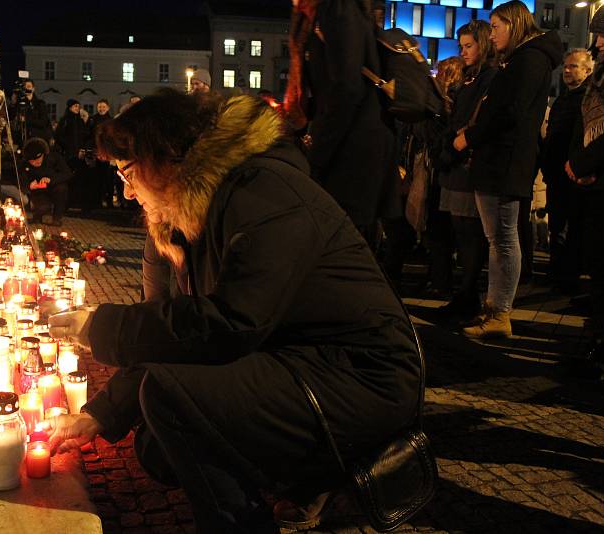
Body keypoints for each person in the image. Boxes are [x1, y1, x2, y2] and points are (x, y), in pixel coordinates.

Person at [45, 90, 421, 533]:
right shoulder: (191, 216)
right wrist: (102, 413)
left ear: (166, 157)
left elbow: (234, 322)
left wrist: (102, 326)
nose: (127, 192)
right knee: (156, 446)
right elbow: (180, 330)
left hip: (361, 375)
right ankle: (295, 481)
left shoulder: (262, 190)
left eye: (128, 173)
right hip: (300, 360)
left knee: (168, 401)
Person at [453, 0, 561, 338]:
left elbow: (508, 112)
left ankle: (499, 314)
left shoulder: (528, 60)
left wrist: (470, 136)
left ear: (513, 25)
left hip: (504, 163)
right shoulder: (523, 60)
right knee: (498, 237)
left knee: (501, 238)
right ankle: (494, 310)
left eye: (497, 26)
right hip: (501, 161)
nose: (492, 33)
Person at [285, 0, 400, 249]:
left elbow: (347, 88)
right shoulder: (321, 15)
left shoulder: (339, 8)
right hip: (347, 143)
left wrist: (317, 154)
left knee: (346, 246)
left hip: (353, 149)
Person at [436, 20, 497, 319]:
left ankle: (468, 296)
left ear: (482, 44)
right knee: (461, 232)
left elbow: (476, 120)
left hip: (466, 163)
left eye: (469, 46)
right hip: (456, 162)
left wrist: (455, 144)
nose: (463, 52)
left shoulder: (488, 76)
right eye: (461, 46)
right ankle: (465, 295)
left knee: (470, 234)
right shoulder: (472, 77)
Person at [565, 4, 604, 371]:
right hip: (596, 182)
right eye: (598, 34)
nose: (600, 43)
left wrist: (583, 164)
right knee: (598, 266)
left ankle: (603, 340)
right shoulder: (601, 76)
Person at [541, 49, 593, 293]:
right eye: (566, 66)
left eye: (573, 66)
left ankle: (566, 276)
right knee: (557, 225)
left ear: (587, 70)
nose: (567, 71)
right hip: (557, 173)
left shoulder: (585, 99)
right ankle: (559, 271)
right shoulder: (564, 98)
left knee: (569, 227)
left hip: (571, 174)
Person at [19, 138, 71, 226]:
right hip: (38, 192)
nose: (36, 162)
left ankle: (56, 218)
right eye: (33, 161)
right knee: (42, 207)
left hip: (54, 188)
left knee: (62, 188)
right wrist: (29, 186)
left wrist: (51, 180)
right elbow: (20, 179)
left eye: (39, 158)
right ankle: (37, 215)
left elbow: (67, 174)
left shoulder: (54, 158)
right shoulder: (24, 164)